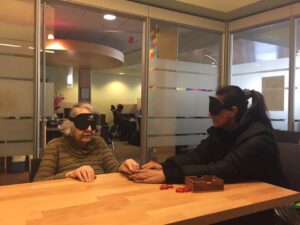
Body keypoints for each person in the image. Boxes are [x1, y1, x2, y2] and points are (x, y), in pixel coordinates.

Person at [121, 85, 286, 225]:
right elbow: (197, 156)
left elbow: (224, 169)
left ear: (232, 111)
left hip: (262, 208)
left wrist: (168, 175)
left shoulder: (259, 137)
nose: (209, 114)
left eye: (214, 108)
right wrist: (165, 165)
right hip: (233, 197)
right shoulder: (223, 131)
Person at [34, 102, 137, 182]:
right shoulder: (55, 146)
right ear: (70, 125)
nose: (89, 129)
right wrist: (69, 174)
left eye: (92, 124)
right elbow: (39, 182)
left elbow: (112, 168)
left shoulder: (98, 142)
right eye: (83, 124)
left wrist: (122, 166)